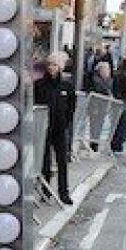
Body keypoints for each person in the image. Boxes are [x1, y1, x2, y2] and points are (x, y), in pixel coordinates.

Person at [35, 52, 77, 205]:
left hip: (60, 129)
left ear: (60, 67)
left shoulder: (67, 86)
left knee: (62, 161)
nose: (52, 67)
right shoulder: (39, 85)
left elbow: (71, 108)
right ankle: (45, 192)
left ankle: (63, 193)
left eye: (55, 65)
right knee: (45, 162)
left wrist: (66, 123)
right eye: (50, 64)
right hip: (44, 129)